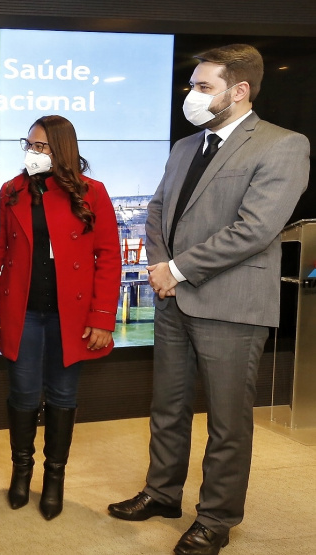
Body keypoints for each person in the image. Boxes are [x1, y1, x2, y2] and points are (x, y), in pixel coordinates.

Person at [108, 44, 309, 555]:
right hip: (174, 298)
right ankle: (161, 493)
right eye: (191, 86)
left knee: (226, 421)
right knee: (167, 408)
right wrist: (161, 269)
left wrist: (175, 270)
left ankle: (217, 518)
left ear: (239, 91)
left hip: (233, 304)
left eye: (203, 87)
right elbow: (156, 211)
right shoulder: (184, 148)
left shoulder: (282, 145)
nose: (191, 96)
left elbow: (255, 229)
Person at [0, 115, 121, 520]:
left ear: (63, 151)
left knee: (62, 397)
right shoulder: (11, 191)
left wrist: (103, 316)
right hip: (21, 313)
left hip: (71, 316)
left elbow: (108, 257)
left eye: (42, 147)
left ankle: (54, 477)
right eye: (30, 144)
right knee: (22, 396)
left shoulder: (93, 193)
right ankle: (21, 471)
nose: (32, 152)